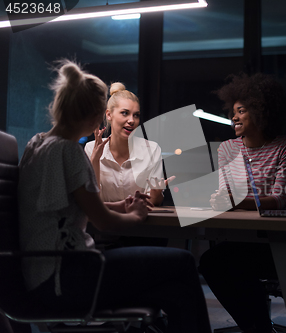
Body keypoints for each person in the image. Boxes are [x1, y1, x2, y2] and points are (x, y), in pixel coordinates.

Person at [18, 60, 211, 333]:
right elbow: (104, 222)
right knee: (183, 263)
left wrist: (120, 204)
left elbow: (77, 208)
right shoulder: (70, 152)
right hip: (67, 277)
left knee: (174, 291)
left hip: (43, 273)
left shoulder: (37, 143)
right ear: (99, 115)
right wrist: (135, 214)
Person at [199, 73, 286, 333]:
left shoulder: (285, 147)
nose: (233, 117)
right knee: (211, 263)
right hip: (240, 238)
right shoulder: (227, 149)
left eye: (241, 111)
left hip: (279, 242)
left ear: (262, 111)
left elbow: (278, 199)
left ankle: (257, 328)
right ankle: (258, 328)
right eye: (233, 111)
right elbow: (226, 196)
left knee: (224, 264)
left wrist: (234, 201)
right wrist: (221, 199)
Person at [84, 82, 174, 207]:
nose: (132, 121)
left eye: (136, 115)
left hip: (140, 222)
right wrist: (95, 160)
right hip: (103, 223)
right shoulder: (90, 148)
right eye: (125, 113)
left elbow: (153, 202)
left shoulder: (151, 149)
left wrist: (157, 194)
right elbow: (91, 201)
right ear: (109, 114)